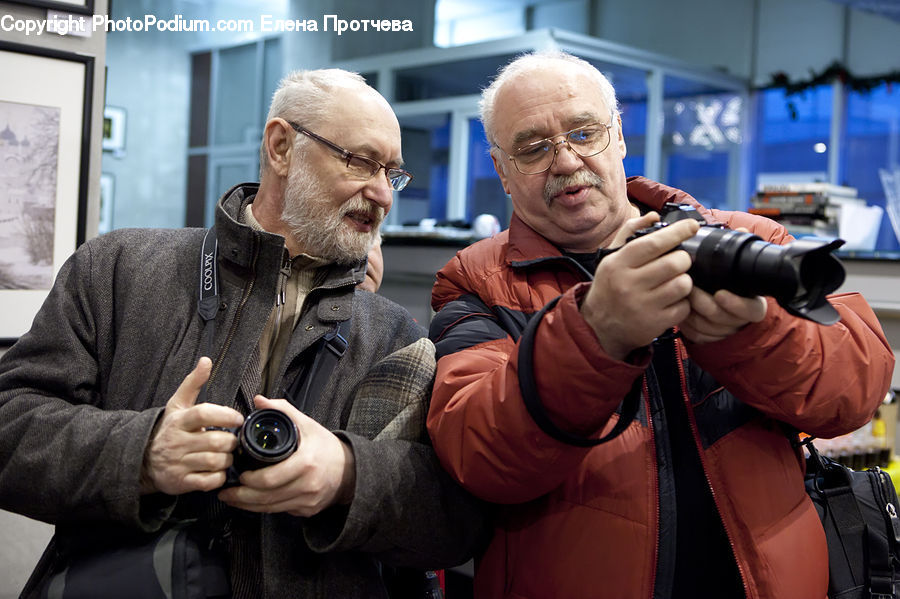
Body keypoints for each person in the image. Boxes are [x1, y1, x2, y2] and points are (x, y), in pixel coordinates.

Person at [425, 50, 895, 599]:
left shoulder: (751, 239)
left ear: (619, 136)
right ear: (502, 172)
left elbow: (855, 390)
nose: (566, 160)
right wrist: (595, 332)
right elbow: (480, 456)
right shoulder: (476, 283)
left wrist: (754, 334)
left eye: (583, 132)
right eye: (533, 147)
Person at [0, 69, 486, 599]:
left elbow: (454, 524)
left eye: (391, 173)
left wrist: (348, 476)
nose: (382, 194)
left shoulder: (399, 340)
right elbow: (11, 425)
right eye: (361, 161)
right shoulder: (118, 269)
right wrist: (140, 453)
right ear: (281, 147)